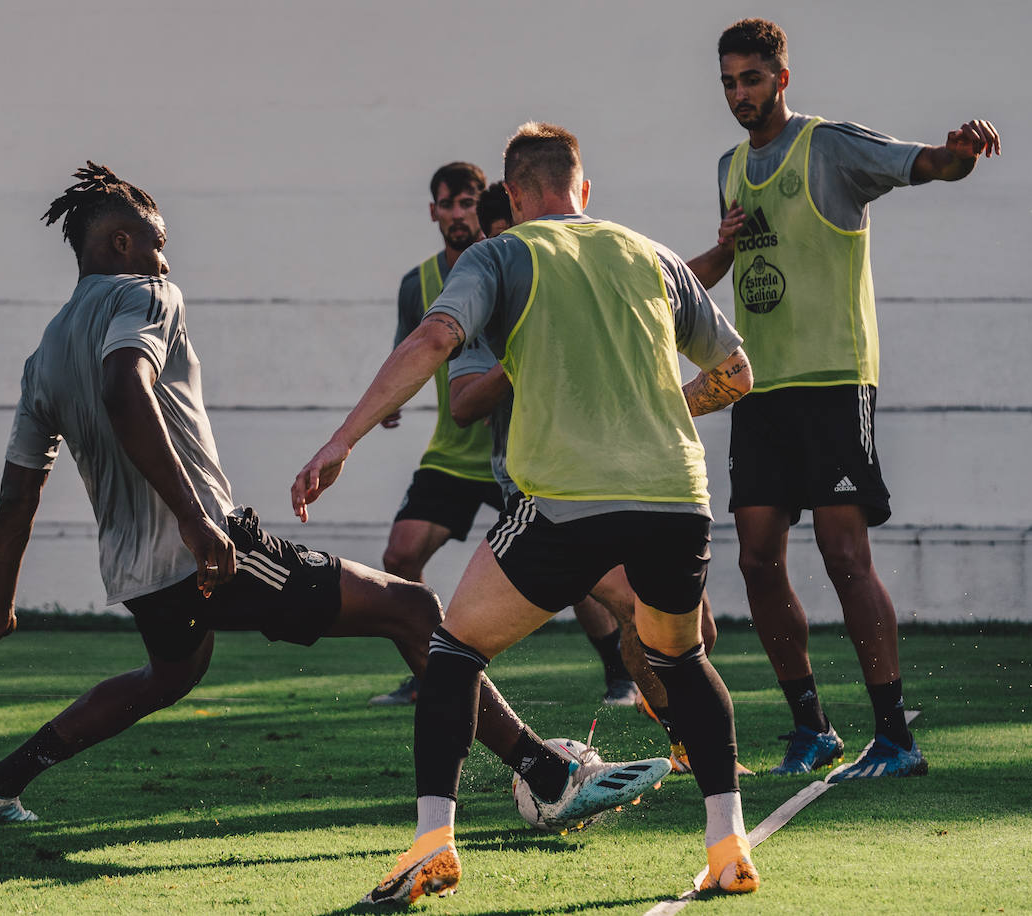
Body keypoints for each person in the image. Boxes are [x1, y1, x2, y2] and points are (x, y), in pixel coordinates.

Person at [0, 163, 662, 832]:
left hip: (138, 575)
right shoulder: (145, 293)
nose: (167, 262)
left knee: (168, 674)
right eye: (160, 246)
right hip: (206, 549)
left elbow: (19, 488)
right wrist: (199, 523)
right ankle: (546, 775)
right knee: (413, 609)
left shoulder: (43, 354)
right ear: (124, 242)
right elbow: (123, 385)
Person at [294, 123, 759, 903]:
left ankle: (433, 847)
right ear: (585, 188)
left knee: (452, 651)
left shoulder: (502, 254)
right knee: (682, 658)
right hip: (676, 496)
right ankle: (729, 848)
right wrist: (658, 416)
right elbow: (737, 371)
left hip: (566, 502)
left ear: (510, 197)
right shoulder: (651, 254)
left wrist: (343, 440)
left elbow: (436, 337)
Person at [689, 18, 1001, 781]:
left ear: (782, 79)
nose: (739, 95)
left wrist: (958, 155)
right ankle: (812, 729)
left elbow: (924, 164)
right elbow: (720, 272)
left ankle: (895, 737)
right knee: (758, 562)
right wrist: (722, 247)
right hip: (759, 388)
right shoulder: (730, 167)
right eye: (729, 81)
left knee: (842, 557)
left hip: (832, 380)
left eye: (752, 80)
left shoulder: (826, 146)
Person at [452, 182, 642, 709]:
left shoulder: (584, 268)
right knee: (636, 606)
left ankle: (658, 708)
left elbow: (672, 291)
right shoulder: (482, 295)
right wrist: (520, 355)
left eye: (516, 238)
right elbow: (463, 405)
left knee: (681, 623)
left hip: (614, 471)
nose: (510, 253)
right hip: (535, 482)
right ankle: (690, 745)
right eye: (498, 242)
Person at [368, 163, 504, 707]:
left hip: (515, 451)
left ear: (484, 208)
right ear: (433, 212)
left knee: (577, 568)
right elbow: (411, 350)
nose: (456, 214)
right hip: (452, 453)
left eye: (466, 203)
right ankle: (434, 673)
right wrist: (388, 400)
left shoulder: (507, 263)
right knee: (400, 557)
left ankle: (619, 674)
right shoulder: (418, 283)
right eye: (446, 205)